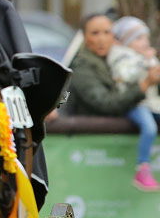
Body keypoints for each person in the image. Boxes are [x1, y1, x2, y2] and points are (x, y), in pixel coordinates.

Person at [69, 13, 160, 190]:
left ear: (115, 36)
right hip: (84, 152)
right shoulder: (82, 65)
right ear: (85, 37)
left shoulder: (125, 59)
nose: (102, 39)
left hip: (113, 159)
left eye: (107, 32)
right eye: (95, 33)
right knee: (66, 208)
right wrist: (144, 84)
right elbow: (105, 103)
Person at [107, 16, 160, 191]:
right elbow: (126, 75)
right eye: (138, 38)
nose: (144, 42)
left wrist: (151, 61)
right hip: (133, 103)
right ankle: (142, 168)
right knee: (150, 128)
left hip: (151, 103)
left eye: (145, 37)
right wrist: (145, 61)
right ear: (127, 40)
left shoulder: (142, 56)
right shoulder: (120, 55)